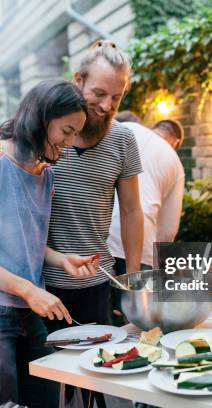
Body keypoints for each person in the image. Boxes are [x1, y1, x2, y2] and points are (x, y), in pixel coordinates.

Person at [0, 79, 97, 408]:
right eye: (66, 131)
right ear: (41, 119)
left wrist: (60, 259)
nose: (70, 143)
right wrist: (28, 289)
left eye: (75, 135)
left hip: (26, 316)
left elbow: (20, 240)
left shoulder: (46, 172)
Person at [43, 40, 144, 332]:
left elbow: (131, 210)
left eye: (116, 97)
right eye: (99, 93)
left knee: (95, 370)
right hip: (42, 283)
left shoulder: (123, 140)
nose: (106, 106)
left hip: (97, 282)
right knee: (48, 373)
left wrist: (132, 279)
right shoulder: (47, 131)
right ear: (78, 80)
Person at [108, 113, 185, 326]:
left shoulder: (124, 131)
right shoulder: (173, 159)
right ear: (175, 142)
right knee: (132, 323)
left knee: (99, 321)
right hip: (138, 247)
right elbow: (167, 232)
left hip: (96, 242)